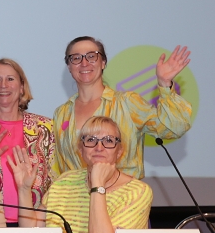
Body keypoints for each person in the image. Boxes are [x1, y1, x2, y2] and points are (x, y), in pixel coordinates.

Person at [52, 37, 193, 180]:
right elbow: (58, 169)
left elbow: (174, 128)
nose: (84, 63)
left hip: (122, 198)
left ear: (103, 63)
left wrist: (165, 84)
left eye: (91, 56)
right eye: (76, 58)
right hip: (76, 200)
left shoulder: (127, 103)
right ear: (69, 66)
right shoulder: (62, 113)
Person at [39, 116, 152, 233]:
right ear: (80, 150)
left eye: (109, 140)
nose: (99, 147)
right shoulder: (64, 182)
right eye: (91, 140)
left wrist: (98, 185)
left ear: (119, 152)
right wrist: (24, 189)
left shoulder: (137, 192)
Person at [0, 59, 54, 225]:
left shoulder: (45, 128)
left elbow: (55, 180)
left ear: (21, 88)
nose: (3, 85)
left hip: (36, 223)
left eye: (10, 79)